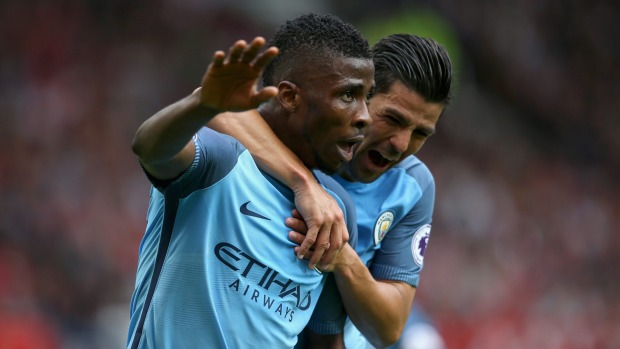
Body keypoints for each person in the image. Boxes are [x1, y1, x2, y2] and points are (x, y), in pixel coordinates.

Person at [126, 13, 374, 348]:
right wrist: (201, 105)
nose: (364, 117)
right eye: (348, 95)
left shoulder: (334, 207)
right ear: (289, 97)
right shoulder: (222, 161)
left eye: (366, 98)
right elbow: (150, 148)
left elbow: (325, 342)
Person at [208, 33, 453, 348]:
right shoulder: (305, 134)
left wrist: (341, 257)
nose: (401, 144)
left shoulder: (413, 186)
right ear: (360, 97)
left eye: (421, 133)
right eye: (392, 119)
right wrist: (305, 184)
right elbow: (216, 108)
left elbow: (388, 328)